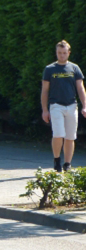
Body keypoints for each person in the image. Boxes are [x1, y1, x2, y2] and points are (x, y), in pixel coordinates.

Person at [41, 39, 86, 172]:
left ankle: (67, 163)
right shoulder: (49, 69)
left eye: (64, 53)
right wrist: (44, 110)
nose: (62, 55)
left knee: (70, 136)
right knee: (58, 133)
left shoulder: (74, 68)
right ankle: (56, 160)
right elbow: (45, 90)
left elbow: (80, 88)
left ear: (69, 53)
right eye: (59, 53)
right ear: (56, 53)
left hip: (72, 105)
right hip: (56, 105)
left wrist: (84, 105)